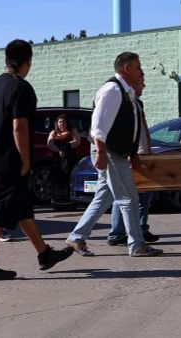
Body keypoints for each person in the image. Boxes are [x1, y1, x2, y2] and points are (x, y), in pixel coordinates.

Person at [0, 39, 74, 281]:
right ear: (28, 61)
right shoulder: (22, 88)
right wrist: (25, 160)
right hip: (11, 160)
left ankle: (44, 254)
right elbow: (19, 127)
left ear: (6, 60)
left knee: (22, 208)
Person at [65, 52, 162, 258]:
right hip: (107, 151)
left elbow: (132, 128)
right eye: (137, 67)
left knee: (104, 197)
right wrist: (100, 152)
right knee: (128, 198)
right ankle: (137, 244)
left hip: (114, 151)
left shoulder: (128, 93)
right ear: (126, 68)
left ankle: (76, 237)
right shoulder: (112, 89)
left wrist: (133, 153)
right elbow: (97, 126)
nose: (140, 71)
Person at [107, 70, 159, 247]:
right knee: (124, 195)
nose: (143, 86)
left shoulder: (138, 103)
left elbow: (142, 130)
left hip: (141, 152)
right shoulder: (124, 100)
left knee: (143, 195)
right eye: (141, 81)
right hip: (133, 154)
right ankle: (117, 232)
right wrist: (132, 152)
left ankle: (140, 227)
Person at [47, 114, 80, 210]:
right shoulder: (53, 133)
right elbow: (50, 144)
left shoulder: (72, 131)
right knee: (57, 182)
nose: (62, 124)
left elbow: (77, 142)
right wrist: (59, 150)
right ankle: (58, 203)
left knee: (68, 181)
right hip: (57, 161)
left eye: (64, 122)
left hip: (70, 160)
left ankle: (70, 203)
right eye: (60, 122)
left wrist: (66, 147)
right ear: (57, 123)